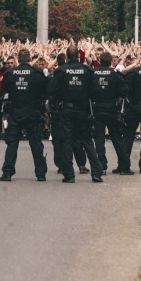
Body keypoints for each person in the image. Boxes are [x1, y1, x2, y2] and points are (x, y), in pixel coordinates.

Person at [47, 46, 104, 183]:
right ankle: (96, 173)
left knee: (66, 141)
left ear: (66, 57)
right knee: (87, 141)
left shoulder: (60, 71)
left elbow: (51, 90)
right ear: (79, 56)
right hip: (83, 110)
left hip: (66, 110)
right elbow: (96, 90)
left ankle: (69, 175)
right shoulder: (87, 70)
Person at [0, 49, 49, 181]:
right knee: (36, 143)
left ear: (18, 60)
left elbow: (5, 88)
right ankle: (40, 173)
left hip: (16, 111)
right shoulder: (37, 73)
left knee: (12, 143)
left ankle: (7, 172)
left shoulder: (10, 73)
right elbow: (44, 89)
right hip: (33, 111)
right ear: (30, 59)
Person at [91, 51, 130, 174]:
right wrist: (116, 102)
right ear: (110, 61)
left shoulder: (93, 73)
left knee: (99, 140)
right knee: (117, 139)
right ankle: (124, 166)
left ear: (100, 60)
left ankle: (102, 165)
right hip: (112, 109)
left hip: (97, 108)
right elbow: (124, 92)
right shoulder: (115, 75)